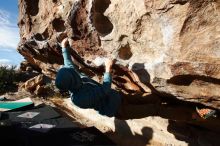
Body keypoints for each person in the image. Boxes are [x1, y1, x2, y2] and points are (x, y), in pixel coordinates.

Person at [55, 38, 219, 128]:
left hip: (121, 98)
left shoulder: (74, 79)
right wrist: (107, 70)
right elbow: (104, 90)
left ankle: (184, 111)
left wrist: (64, 47)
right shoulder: (79, 99)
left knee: (153, 99)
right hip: (120, 110)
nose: (73, 70)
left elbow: (68, 63)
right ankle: (195, 115)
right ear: (71, 81)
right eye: (72, 74)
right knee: (155, 108)